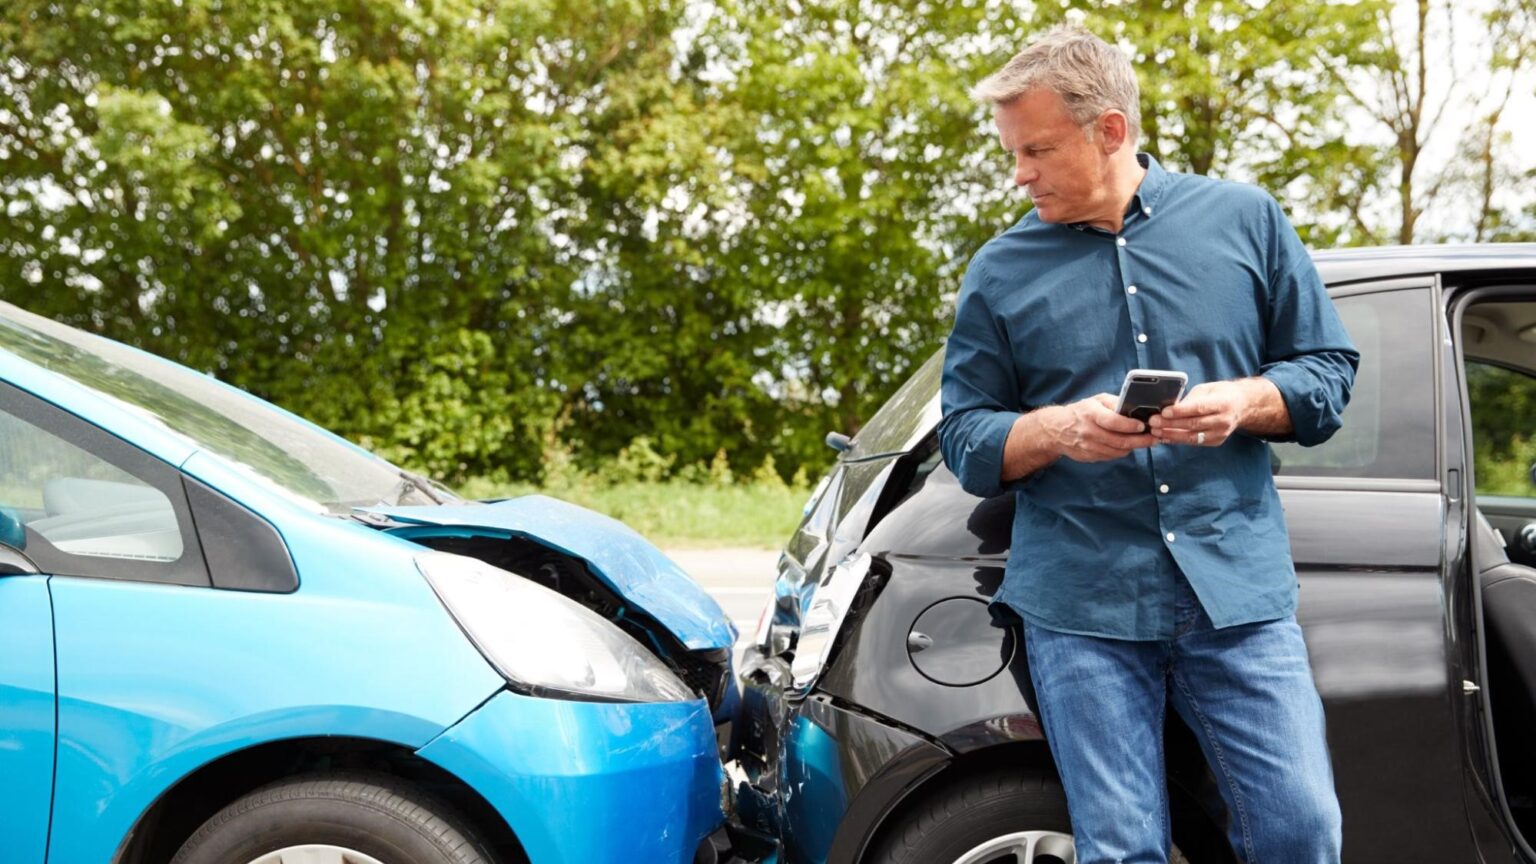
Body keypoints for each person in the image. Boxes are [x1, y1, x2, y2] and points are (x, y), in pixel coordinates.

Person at [937, 24, 1359, 864]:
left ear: (1111, 131)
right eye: (1013, 152)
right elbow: (964, 435)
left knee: (1302, 830)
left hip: (1235, 592)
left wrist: (1249, 400)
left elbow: (1328, 373)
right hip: (1081, 604)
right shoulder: (999, 269)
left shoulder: (1248, 221)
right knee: (1122, 849)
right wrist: (1058, 429)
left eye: (1036, 150)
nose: (1018, 174)